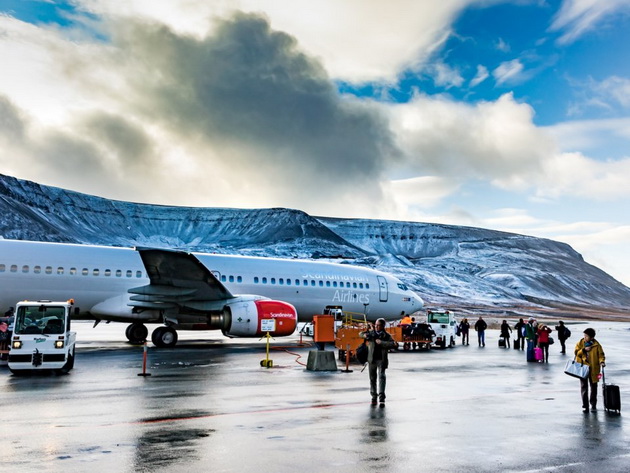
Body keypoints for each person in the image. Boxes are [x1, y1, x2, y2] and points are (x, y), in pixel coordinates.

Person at [360, 318, 398, 405]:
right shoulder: (371, 333)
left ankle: (381, 397)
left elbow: (393, 344)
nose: (376, 327)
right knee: (372, 379)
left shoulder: (386, 336)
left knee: (382, 377)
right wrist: (365, 336)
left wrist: (382, 343)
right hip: (371, 359)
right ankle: (374, 396)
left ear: (383, 326)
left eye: (378, 325)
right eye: (375, 325)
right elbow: (360, 334)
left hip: (381, 359)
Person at [574, 328, 606, 413]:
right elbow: (576, 353)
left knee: (594, 387)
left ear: (591, 337)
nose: (584, 337)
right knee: (584, 387)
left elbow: (601, 355)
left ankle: (593, 404)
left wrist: (602, 362)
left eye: (586, 336)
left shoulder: (597, 345)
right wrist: (584, 350)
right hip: (583, 368)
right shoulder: (580, 343)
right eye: (584, 335)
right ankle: (585, 405)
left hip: (594, 368)